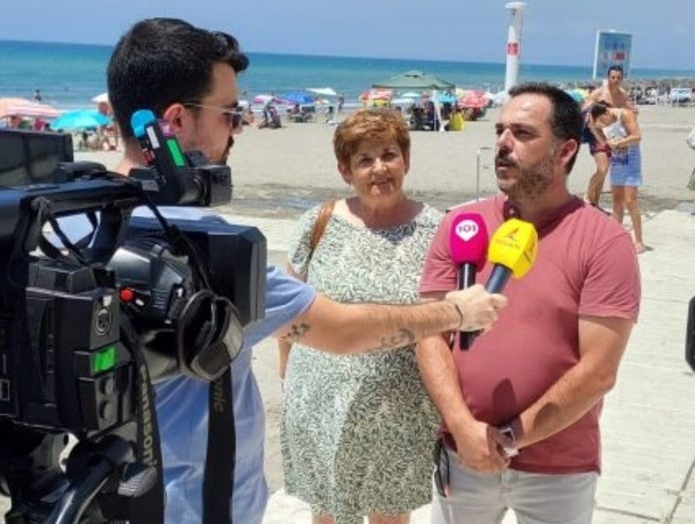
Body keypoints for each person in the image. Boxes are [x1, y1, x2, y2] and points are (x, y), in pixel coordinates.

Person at [106, 18, 505, 524]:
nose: (239, 127)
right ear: (175, 123)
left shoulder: (69, 222)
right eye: (229, 113)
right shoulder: (204, 248)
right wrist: (453, 311)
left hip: (111, 491)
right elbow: (344, 331)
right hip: (198, 503)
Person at [415, 82, 641, 524]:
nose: (502, 143)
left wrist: (509, 437)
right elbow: (429, 336)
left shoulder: (605, 242)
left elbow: (598, 370)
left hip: (559, 467)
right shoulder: (461, 224)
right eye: (500, 130)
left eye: (521, 133)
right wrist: (463, 428)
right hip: (463, 452)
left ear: (565, 150)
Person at [280, 108, 442, 524]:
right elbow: (289, 305)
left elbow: (445, 321)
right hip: (319, 402)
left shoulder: (436, 229)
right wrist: (288, 376)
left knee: (390, 516)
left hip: (399, 408)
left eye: (389, 154)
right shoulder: (317, 223)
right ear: (345, 170)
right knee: (328, 514)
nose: (379, 169)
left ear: (406, 159)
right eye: (364, 160)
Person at [590, 101, 648, 253]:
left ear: (607, 113)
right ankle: (616, 238)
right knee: (617, 202)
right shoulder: (603, 121)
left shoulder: (625, 115)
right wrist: (594, 128)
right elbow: (604, 142)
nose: (604, 124)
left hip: (631, 160)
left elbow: (637, 137)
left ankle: (639, 241)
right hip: (617, 161)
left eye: (603, 120)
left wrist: (620, 142)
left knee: (630, 201)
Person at [581, 65, 635, 208]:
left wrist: (633, 112)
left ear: (622, 78)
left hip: (612, 135)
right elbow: (585, 111)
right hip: (596, 134)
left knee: (604, 171)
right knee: (603, 168)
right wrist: (592, 122)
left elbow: (626, 111)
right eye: (613, 77)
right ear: (608, 77)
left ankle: (594, 203)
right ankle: (587, 198)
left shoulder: (622, 94)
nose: (615, 80)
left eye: (618, 78)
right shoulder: (599, 93)